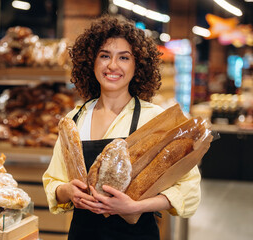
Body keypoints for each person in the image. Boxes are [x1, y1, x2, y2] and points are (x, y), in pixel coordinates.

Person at [42, 15, 201, 240]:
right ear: (91, 62)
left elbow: (189, 187)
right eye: (104, 56)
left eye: (124, 58)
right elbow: (54, 182)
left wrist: (136, 206)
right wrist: (68, 192)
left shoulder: (155, 119)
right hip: (83, 233)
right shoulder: (74, 119)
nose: (112, 65)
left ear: (138, 65)